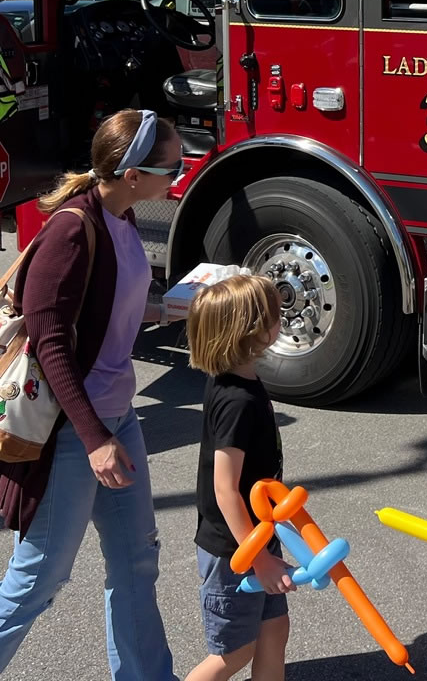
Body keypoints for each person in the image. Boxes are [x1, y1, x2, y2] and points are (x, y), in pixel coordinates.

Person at [0, 109, 183, 681]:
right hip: (73, 432)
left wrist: (174, 308)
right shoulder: (72, 229)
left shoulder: (121, 216)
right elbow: (48, 343)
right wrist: (95, 439)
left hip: (117, 417)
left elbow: (107, 309)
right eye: (171, 168)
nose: (178, 177)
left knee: (136, 561)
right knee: (37, 579)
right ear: (133, 174)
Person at [184, 274, 292, 681]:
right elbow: (225, 489)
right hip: (235, 549)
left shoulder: (238, 379)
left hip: (256, 534)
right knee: (234, 651)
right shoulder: (238, 401)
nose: (280, 319)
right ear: (252, 332)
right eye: (274, 314)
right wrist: (258, 559)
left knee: (274, 629)